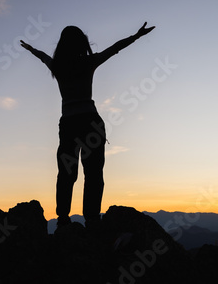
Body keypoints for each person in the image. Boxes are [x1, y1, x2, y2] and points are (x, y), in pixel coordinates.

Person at [20, 22, 155, 229]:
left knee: (66, 173)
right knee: (93, 173)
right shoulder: (88, 61)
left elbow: (42, 56)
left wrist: (31, 49)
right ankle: (92, 220)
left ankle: (63, 220)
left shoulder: (57, 65)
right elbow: (115, 48)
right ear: (81, 43)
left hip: (69, 125)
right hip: (91, 123)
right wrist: (136, 36)